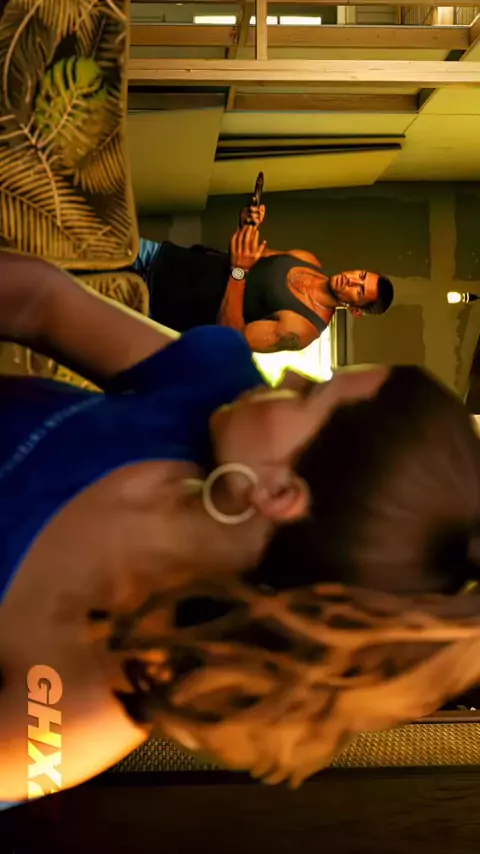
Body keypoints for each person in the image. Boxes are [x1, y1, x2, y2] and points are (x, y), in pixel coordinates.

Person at [1, 250, 480, 808]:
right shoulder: (216, 389)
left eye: (309, 394)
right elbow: (41, 303)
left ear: (279, 495)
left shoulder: (78, 711)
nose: (293, 375)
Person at [133, 203, 394, 353]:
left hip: (154, 303)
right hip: (165, 257)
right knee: (107, 240)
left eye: (360, 291)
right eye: (361, 275)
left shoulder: (302, 330)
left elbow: (231, 339)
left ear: (355, 310)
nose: (352, 281)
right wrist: (246, 225)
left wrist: (239, 272)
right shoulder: (307, 259)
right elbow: (245, 256)